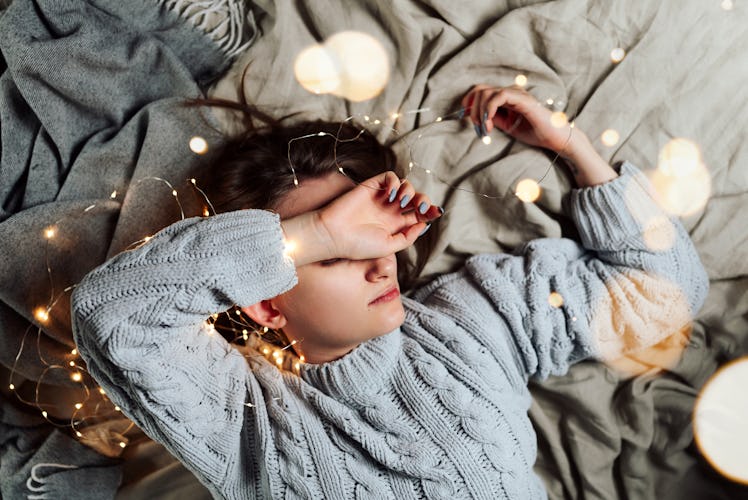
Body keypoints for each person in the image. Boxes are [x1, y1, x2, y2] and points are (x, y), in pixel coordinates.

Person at [71, 86, 708, 499]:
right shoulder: (243, 419)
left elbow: (665, 291)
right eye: (343, 253)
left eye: (382, 241)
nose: (383, 268)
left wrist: (569, 146)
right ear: (267, 301)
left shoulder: (472, 320)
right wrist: (316, 231)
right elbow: (111, 315)